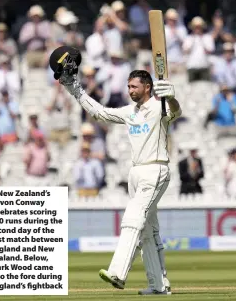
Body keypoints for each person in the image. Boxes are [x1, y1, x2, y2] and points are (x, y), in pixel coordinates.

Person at [58, 68, 182, 295]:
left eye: (134, 86)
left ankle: (118, 272)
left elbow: (175, 113)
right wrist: (73, 88)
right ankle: (159, 286)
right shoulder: (130, 112)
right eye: (128, 86)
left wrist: (172, 98)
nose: (130, 90)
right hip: (136, 173)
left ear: (147, 87)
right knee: (148, 231)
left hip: (156, 169)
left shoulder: (159, 106)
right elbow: (99, 113)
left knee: (133, 218)